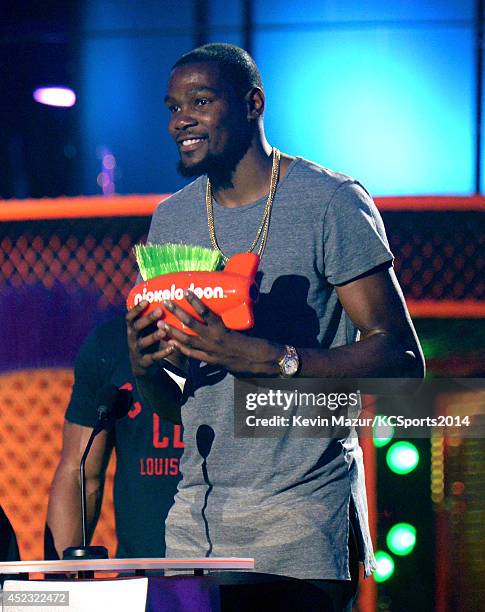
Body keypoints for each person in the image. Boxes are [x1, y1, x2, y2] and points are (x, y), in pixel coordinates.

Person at [126, 43, 425, 609]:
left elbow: (402, 360)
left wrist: (266, 357)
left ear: (252, 104)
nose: (179, 120)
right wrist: (146, 364)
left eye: (201, 101)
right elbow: (180, 407)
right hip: (197, 527)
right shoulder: (172, 217)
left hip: (300, 527)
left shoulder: (329, 201)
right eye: (172, 107)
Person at [46, 315, 183, 559]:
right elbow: (80, 474)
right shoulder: (110, 344)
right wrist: (61, 584)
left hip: (239, 571)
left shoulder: (250, 340)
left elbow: (267, 468)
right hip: (142, 578)